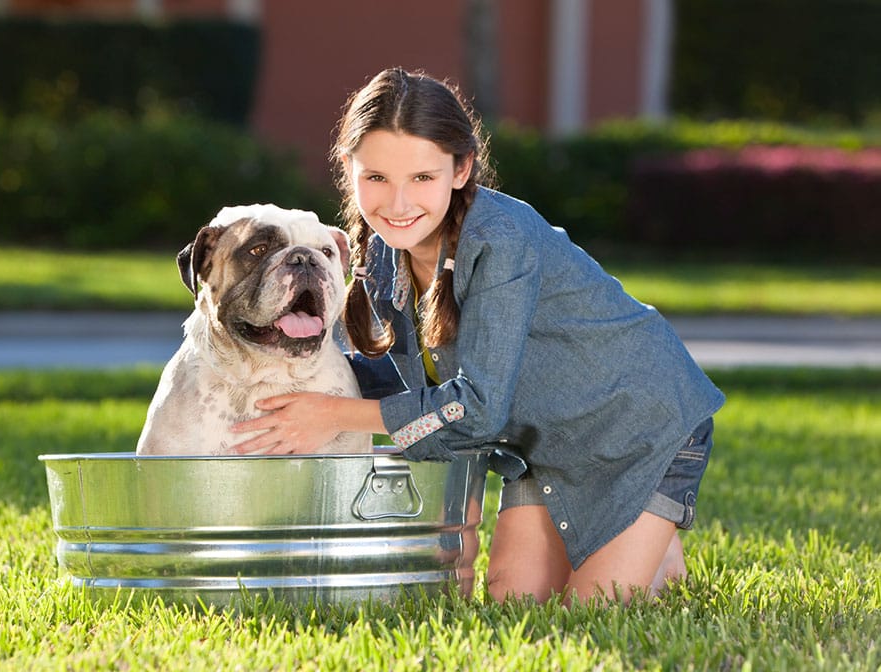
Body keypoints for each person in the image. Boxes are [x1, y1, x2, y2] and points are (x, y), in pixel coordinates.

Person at [231, 67, 725, 606]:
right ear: (348, 169)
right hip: (546, 442)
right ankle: (644, 547)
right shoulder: (377, 251)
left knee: (589, 616)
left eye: (422, 178)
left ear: (461, 168)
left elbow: (477, 409)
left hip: (639, 423)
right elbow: (425, 403)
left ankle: (652, 527)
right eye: (376, 178)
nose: (397, 204)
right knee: (515, 603)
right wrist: (455, 550)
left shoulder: (500, 240)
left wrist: (329, 415)